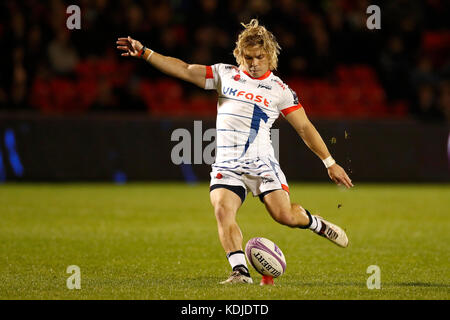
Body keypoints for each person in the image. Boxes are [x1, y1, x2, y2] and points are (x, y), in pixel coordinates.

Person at [117, 19, 353, 284]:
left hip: (262, 163)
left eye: (259, 57)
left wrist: (329, 162)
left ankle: (317, 224)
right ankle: (240, 272)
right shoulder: (225, 74)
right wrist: (145, 52)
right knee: (222, 210)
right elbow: (184, 69)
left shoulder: (280, 91)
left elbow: (304, 127)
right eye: (248, 57)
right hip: (227, 164)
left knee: (284, 216)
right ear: (240, 55)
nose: (253, 63)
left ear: (270, 56)